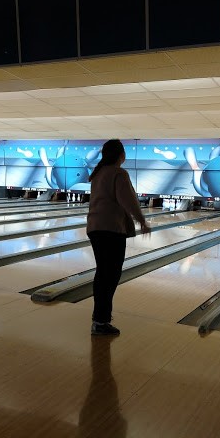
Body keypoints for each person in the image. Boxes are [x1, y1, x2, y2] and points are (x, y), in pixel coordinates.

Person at [87, 139, 151, 336]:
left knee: (103, 273)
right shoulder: (119, 173)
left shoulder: (97, 173)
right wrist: (142, 220)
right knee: (111, 275)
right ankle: (101, 321)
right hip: (111, 229)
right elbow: (128, 200)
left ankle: (99, 319)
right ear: (121, 156)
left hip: (95, 228)